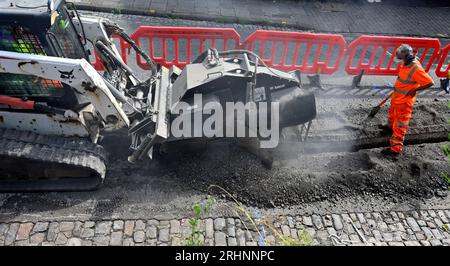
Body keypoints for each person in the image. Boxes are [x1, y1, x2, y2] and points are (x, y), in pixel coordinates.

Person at [380, 44, 434, 157]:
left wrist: (415, 90)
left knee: (400, 124)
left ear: (407, 57)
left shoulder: (416, 69)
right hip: (397, 96)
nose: (399, 61)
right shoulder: (406, 63)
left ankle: (395, 149)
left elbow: (430, 82)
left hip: (404, 102)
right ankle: (390, 128)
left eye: (400, 58)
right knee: (392, 115)